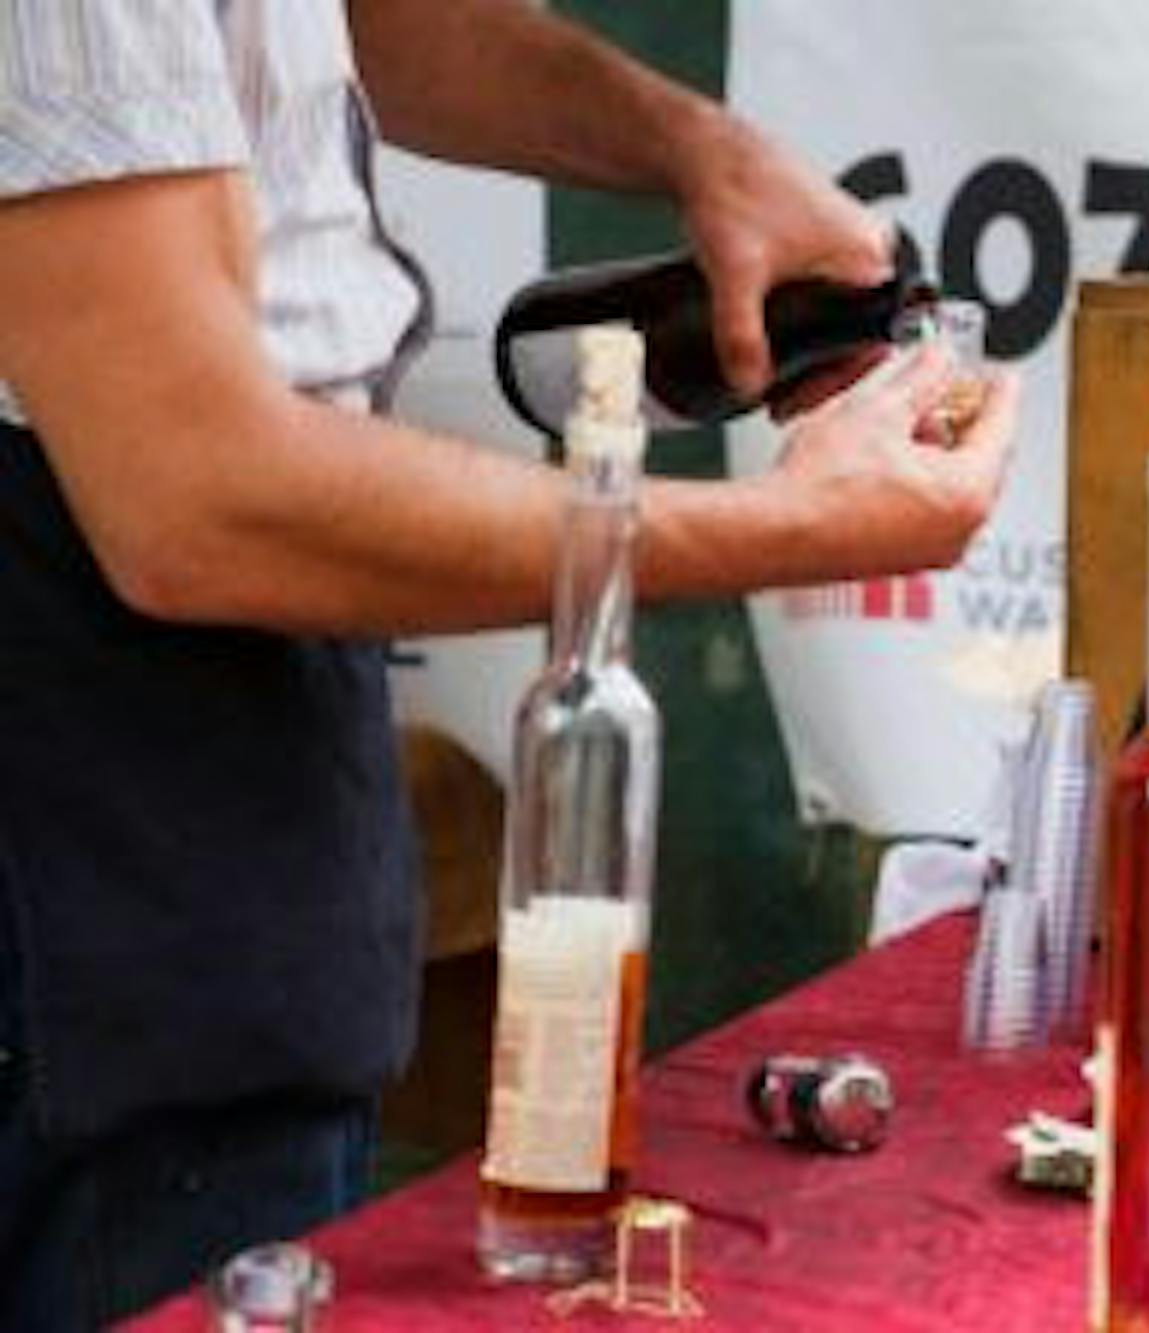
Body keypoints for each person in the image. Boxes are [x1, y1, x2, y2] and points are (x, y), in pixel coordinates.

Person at [0, 1, 1019, 1326]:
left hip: (251, 760)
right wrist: (794, 525)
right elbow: (192, 500)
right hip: (90, 767)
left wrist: (692, 145)